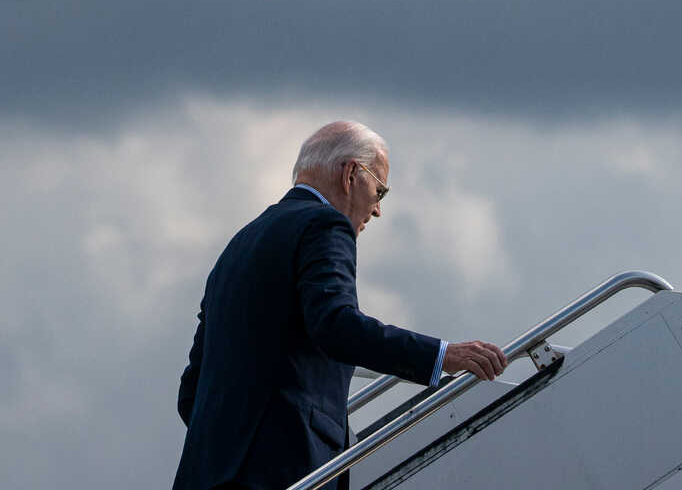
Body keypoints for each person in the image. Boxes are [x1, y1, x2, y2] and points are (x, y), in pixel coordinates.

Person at [173, 120, 507, 490]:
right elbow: (336, 326)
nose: (377, 210)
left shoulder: (237, 247)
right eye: (380, 191)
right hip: (285, 471)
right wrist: (442, 355)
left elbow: (191, 390)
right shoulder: (324, 225)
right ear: (351, 174)